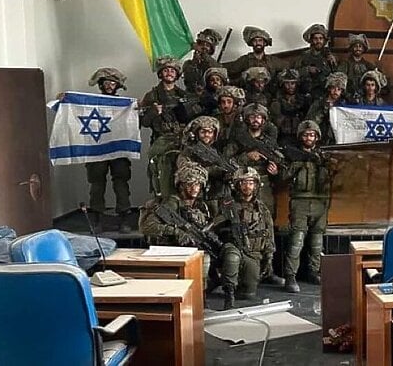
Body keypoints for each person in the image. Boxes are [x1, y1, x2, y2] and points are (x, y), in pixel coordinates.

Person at [138, 163, 216, 292]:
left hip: (193, 247)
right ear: (181, 186)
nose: (194, 188)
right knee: (204, 261)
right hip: (171, 249)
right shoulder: (172, 204)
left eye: (197, 184)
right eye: (190, 184)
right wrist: (176, 232)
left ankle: (201, 294)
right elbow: (147, 227)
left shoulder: (201, 205)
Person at [215, 167, 284, 309]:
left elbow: (268, 233)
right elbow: (215, 227)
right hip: (232, 247)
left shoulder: (262, 209)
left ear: (256, 185)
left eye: (251, 183)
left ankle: (234, 285)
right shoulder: (228, 205)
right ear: (237, 185)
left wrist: (269, 257)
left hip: (253, 252)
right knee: (232, 257)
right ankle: (229, 294)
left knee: (249, 293)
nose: (247, 186)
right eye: (244, 183)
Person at [282, 120, 336, 293]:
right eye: (305, 135)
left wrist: (327, 163)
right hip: (300, 201)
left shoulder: (324, 155)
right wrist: (295, 165)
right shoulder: (293, 156)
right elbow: (283, 177)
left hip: (321, 201)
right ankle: (290, 276)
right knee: (297, 240)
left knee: (317, 241)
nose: (308, 138)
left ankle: (314, 271)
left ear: (317, 137)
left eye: (312, 135)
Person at [140, 56, 202, 197]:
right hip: (161, 142)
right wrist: (153, 113)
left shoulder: (184, 95)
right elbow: (144, 122)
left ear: (177, 74)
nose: (169, 73)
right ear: (160, 74)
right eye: (166, 70)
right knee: (162, 180)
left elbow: (193, 120)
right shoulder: (152, 96)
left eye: (172, 71)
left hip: (182, 142)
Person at [84, 67, 133, 232]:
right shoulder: (90, 104)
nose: (110, 85)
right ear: (100, 84)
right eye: (106, 82)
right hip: (97, 148)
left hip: (118, 148)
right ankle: (97, 218)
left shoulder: (125, 105)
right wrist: (63, 98)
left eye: (113, 82)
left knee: (121, 183)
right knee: (97, 184)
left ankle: (125, 218)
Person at [227, 103, 282, 216]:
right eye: (252, 117)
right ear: (247, 119)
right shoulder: (238, 140)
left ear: (263, 120)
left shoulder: (269, 143)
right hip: (243, 185)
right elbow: (227, 161)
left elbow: (280, 164)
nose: (255, 120)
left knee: (267, 217)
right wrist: (246, 157)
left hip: (264, 185)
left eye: (258, 117)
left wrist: (275, 171)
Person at [270, 69, 310, 146]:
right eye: (287, 83)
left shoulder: (303, 100)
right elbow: (276, 122)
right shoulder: (277, 101)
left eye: (293, 83)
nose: (290, 86)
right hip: (283, 136)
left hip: (301, 136)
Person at [298, 23, 337, 100]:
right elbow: (296, 72)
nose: (318, 41)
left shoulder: (329, 55)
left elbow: (336, 73)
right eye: (315, 39)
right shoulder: (305, 56)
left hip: (325, 91)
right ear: (312, 40)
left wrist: (334, 62)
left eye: (320, 38)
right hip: (307, 91)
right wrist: (307, 70)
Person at [307, 72, 347, 145]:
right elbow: (310, 122)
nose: (336, 91)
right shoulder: (319, 103)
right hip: (321, 139)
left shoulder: (344, 105)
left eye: (339, 89)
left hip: (337, 140)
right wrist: (325, 110)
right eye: (333, 88)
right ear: (329, 88)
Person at [182, 28, 223, 94]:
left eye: (207, 45)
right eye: (202, 44)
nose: (204, 47)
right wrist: (194, 63)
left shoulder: (215, 64)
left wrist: (204, 56)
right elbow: (189, 79)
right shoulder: (188, 64)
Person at [214, 85, 246, 154]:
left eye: (229, 102)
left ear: (235, 104)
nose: (226, 105)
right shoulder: (216, 119)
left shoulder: (242, 120)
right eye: (223, 102)